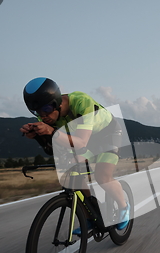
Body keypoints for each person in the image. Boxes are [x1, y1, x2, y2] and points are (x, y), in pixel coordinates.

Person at [20, 77, 130, 233]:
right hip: (82, 139)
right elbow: (53, 148)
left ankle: (124, 207)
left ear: (57, 102)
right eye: (36, 112)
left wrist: (51, 131)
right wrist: (37, 135)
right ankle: (91, 215)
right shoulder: (46, 114)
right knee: (71, 174)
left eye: (45, 110)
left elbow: (81, 143)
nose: (42, 116)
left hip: (107, 135)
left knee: (102, 176)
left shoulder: (81, 102)